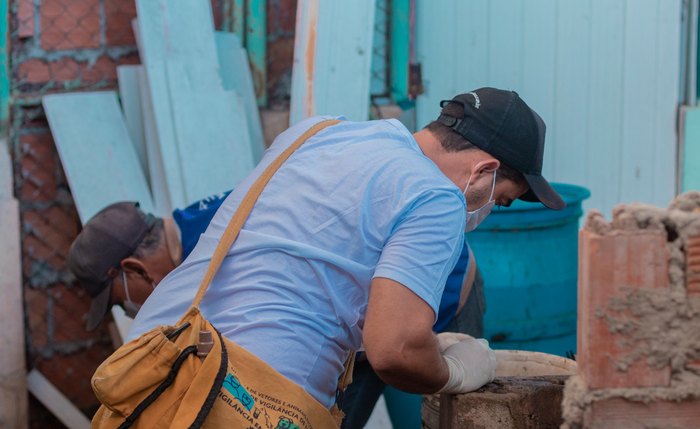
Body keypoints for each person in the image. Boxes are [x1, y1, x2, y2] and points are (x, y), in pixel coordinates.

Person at [83, 87, 563, 422]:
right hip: (249, 401)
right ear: (483, 170)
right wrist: (454, 373)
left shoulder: (317, 133)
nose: (487, 212)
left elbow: (312, 267)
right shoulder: (435, 195)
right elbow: (394, 350)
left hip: (152, 373)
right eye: (498, 199)